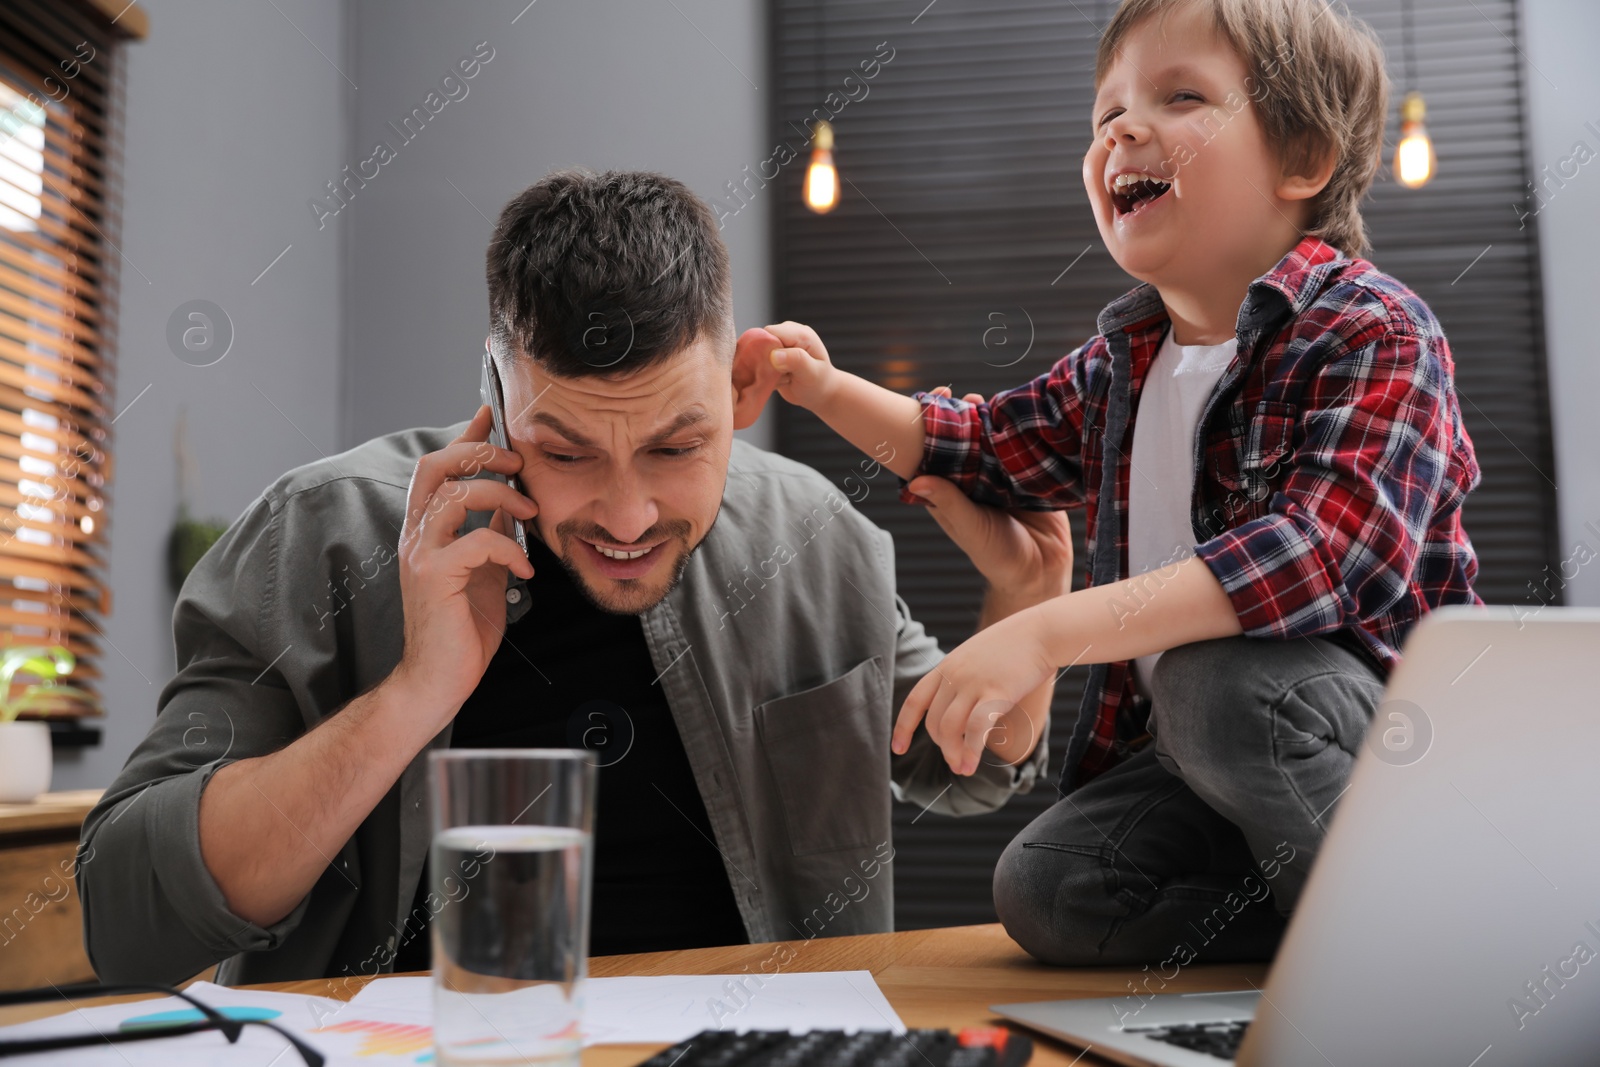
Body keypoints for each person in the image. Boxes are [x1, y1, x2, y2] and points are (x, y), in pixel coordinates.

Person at [77, 170, 1072, 986]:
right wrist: (413, 693)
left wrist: (1027, 607)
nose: (630, 515)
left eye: (678, 446)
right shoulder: (317, 536)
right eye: (567, 453)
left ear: (738, 389)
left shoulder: (814, 537)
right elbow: (130, 916)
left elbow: (966, 767)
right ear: (496, 398)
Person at [732, 0, 1482, 965]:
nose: (1122, 129)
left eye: (1180, 97)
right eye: (1106, 114)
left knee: (1222, 688)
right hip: (1206, 762)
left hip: (1370, 745)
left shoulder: (1374, 328)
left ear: (1302, 158)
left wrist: (1043, 631)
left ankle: (1429, 935)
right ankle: (1308, 935)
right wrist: (822, 386)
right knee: (1049, 886)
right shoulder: (1122, 362)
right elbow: (986, 444)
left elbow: (1319, 554)